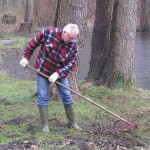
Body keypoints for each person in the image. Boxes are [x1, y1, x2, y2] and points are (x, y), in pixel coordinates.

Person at [20, 23, 82, 132]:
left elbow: (72, 64)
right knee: (43, 96)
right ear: (64, 32)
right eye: (71, 37)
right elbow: (32, 44)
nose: (72, 40)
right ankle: (45, 126)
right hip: (43, 70)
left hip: (59, 74)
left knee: (67, 95)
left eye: (74, 38)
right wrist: (26, 57)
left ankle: (72, 123)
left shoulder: (74, 45)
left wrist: (58, 74)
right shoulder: (48, 33)